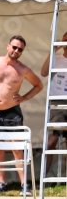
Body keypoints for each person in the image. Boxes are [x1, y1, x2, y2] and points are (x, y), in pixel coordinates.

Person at [0, 35, 44, 195]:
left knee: (17, 148)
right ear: (8, 46)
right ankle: (2, 183)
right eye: (14, 47)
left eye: (20, 49)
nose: (16, 51)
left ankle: (24, 185)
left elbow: (39, 85)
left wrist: (24, 97)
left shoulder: (23, 69)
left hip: (12, 112)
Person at [41, 31, 67, 174]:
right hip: (57, 103)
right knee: (51, 142)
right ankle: (43, 179)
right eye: (65, 40)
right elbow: (44, 72)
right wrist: (53, 49)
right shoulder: (56, 59)